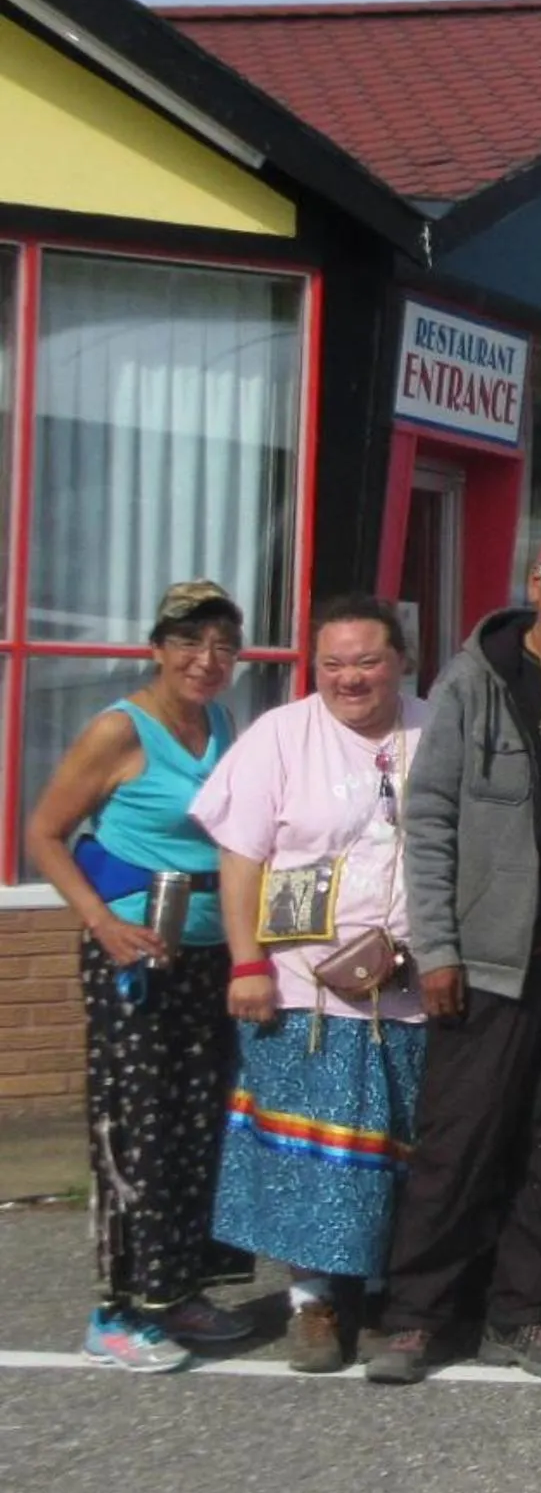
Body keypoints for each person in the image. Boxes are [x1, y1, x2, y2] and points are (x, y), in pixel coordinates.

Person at [368, 524, 541, 1386]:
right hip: (491, 956)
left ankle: (521, 1315)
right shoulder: (476, 681)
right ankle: (415, 1318)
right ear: (537, 581)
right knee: (461, 1143)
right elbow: (431, 824)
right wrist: (440, 949)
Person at [189, 596, 431, 1374]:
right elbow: (241, 857)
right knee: (312, 1155)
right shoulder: (280, 737)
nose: (349, 678)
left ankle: (395, 1296)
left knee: (400, 1146)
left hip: (411, 985)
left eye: (367, 661)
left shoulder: (438, 728)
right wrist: (248, 963)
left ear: (401, 660)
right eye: (333, 663)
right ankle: (314, 1304)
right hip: (304, 988)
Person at [25, 580, 253, 1371]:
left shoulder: (221, 724)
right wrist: (103, 923)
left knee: (198, 1125)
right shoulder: (119, 731)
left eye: (223, 644)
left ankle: (176, 1291)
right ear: (156, 649)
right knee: (135, 1127)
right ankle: (114, 1310)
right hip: (134, 960)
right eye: (190, 642)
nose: (207, 659)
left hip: (207, 954)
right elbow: (45, 834)